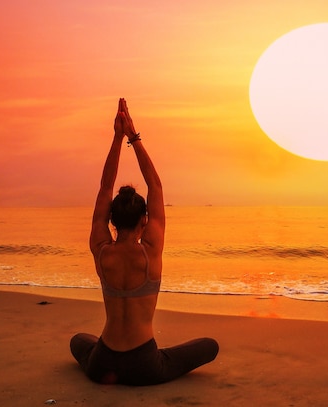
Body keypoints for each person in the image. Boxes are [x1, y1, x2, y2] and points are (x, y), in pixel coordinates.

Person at [70, 98, 219, 386]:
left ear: (112, 221)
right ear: (144, 221)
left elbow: (104, 188)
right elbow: (156, 186)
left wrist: (116, 138)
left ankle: (105, 368)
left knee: (79, 341)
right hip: (144, 366)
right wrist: (133, 137)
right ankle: (148, 364)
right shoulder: (151, 249)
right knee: (209, 346)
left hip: (102, 363)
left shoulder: (102, 250)